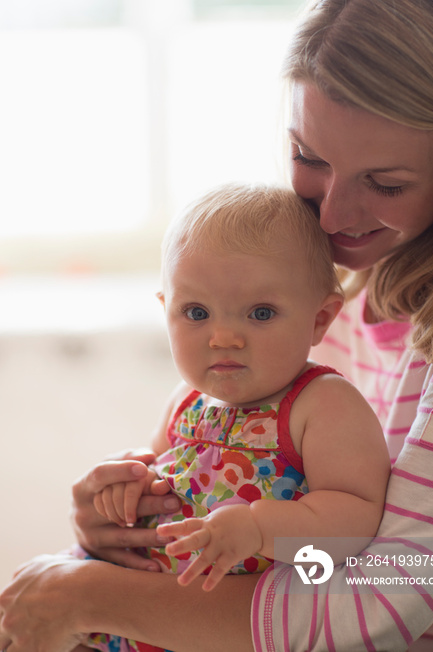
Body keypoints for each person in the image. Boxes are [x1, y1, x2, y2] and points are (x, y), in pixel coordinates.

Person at [1, 0, 433, 651]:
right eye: (309, 156)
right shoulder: (329, 291)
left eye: (387, 183)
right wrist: (122, 525)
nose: (331, 213)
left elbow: (383, 591)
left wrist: (94, 595)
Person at [76, 182, 390, 651]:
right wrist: (129, 488)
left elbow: (358, 518)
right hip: (148, 617)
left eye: (260, 313)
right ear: (167, 311)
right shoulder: (187, 400)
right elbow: (160, 477)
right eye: (196, 312)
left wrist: (261, 527)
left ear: (320, 319)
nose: (223, 337)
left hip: (228, 629)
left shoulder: (322, 404)